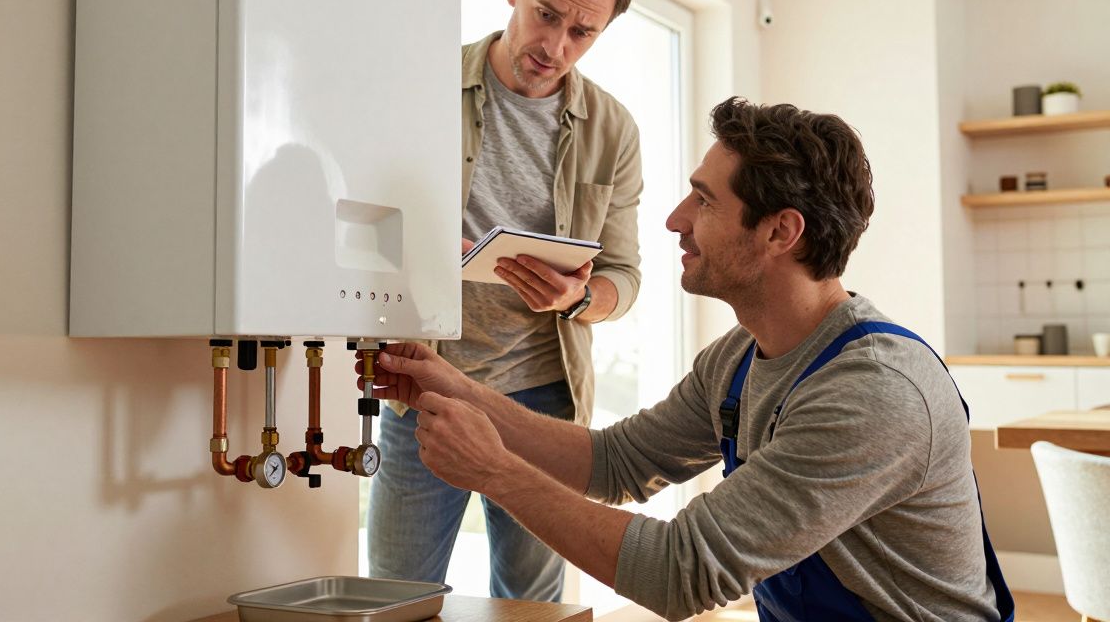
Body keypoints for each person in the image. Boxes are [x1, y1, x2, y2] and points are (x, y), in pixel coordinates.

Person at [361, 97, 1015, 621]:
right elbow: (616, 463)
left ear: (780, 232)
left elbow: (682, 574)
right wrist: (452, 389)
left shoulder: (872, 391)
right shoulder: (739, 358)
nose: (676, 220)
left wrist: (494, 472)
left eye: (704, 200)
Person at [366, 0, 643, 602]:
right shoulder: (418, 86)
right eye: (546, 15)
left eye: (582, 33)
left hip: (545, 400)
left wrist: (577, 298)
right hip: (424, 385)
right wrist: (416, 254)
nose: (555, 47)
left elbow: (625, 278)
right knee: (398, 595)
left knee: (532, 605)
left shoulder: (614, 129)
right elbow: (358, 217)